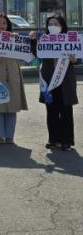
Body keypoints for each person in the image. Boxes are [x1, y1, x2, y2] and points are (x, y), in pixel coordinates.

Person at [0, 13, 29, 145]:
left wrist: (20, 41)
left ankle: (9, 137)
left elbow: (26, 56)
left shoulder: (15, 38)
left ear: (8, 25)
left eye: (4, 23)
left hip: (13, 75)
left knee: (12, 107)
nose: (2, 26)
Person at [39, 15, 78, 151]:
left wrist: (75, 59)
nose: (53, 26)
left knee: (66, 111)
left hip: (65, 81)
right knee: (52, 111)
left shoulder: (71, 39)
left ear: (62, 26)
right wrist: (32, 40)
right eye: (50, 24)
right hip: (49, 80)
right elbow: (35, 53)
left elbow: (79, 56)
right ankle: (54, 139)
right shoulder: (44, 40)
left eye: (56, 24)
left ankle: (66, 141)